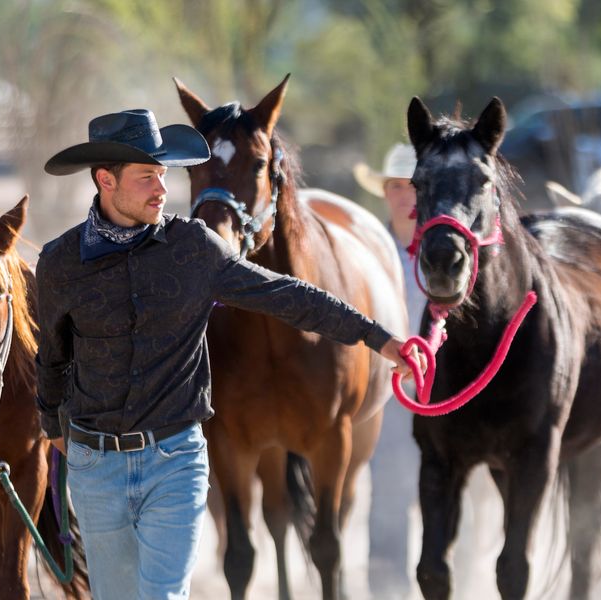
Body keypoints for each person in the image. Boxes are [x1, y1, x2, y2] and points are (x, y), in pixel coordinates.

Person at [35, 108, 415, 600]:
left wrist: (380, 338)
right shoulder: (60, 263)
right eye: (147, 176)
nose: (162, 189)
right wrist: (53, 428)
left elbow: (288, 295)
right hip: (96, 469)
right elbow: (53, 359)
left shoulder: (192, 247)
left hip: (174, 462)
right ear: (105, 179)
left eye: (164, 174)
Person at [354, 142, 427, 599]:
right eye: (397, 186)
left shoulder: (449, 252)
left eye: (414, 186)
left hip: (447, 389)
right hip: (393, 390)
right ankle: (387, 588)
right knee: (389, 491)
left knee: (458, 488)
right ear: (384, 192)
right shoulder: (367, 252)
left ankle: (458, 573)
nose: (406, 196)